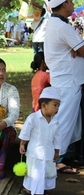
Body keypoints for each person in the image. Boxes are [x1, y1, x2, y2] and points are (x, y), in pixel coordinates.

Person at [44, 0, 84, 173]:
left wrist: (77, 48)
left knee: (70, 121)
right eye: (71, 1)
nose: (74, 4)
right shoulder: (62, 27)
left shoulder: (55, 24)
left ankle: (63, 156)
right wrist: (78, 48)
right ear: (65, 4)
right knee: (64, 122)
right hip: (69, 81)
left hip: (65, 80)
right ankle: (55, 160)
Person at [19, 87, 61, 195]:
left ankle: (43, 190)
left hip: (48, 152)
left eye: (58, 106)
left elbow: (57, 137)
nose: (57, 108)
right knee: (33, 171)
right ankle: (29, 190)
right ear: (44, 105)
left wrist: (57, 150)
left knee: (46, 171)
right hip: (34, 152)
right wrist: (22, 144)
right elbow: (26, 132)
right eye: (55, 105)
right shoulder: (33, 118)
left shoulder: (55, 122)